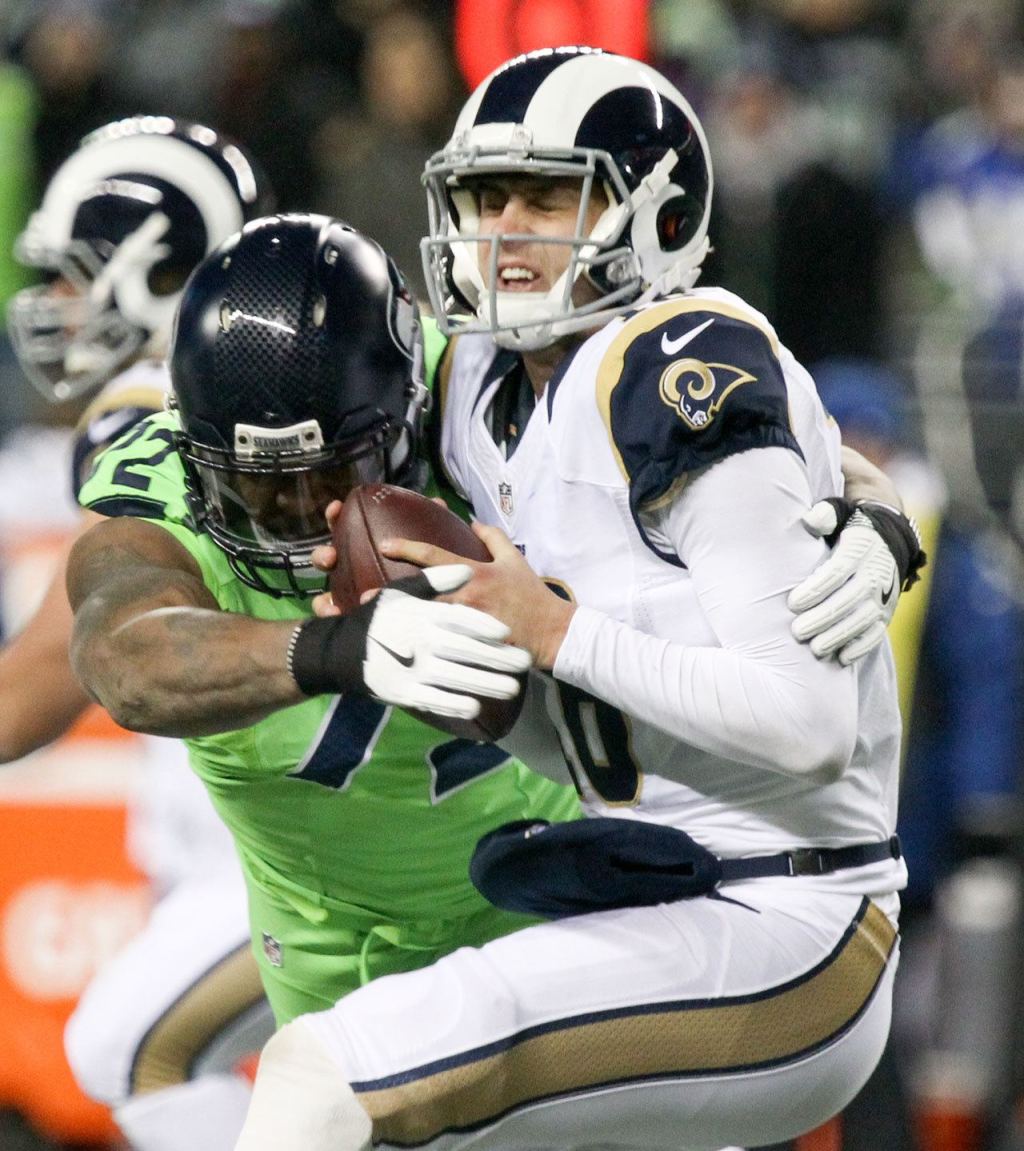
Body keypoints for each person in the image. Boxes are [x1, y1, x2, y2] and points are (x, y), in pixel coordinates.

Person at [232, 47, 924, 1151]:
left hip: (791, 916)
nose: (503, 227)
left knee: (328, 1075)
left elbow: (805, 728)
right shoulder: (475, 383)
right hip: (657, 884)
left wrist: (548, 628)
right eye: (482, 196)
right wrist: (482, 687)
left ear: (654, 210)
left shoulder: (677, 360)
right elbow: (601, 710)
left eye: (548, 195)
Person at [1, 114, 279, 1151]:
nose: (53, 305)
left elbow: (32, 690)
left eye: (76, 275)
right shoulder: (287, 376)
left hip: (293, 834)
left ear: (161, 271)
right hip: (313, 813)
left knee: (130, 1051)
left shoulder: (145, 405)